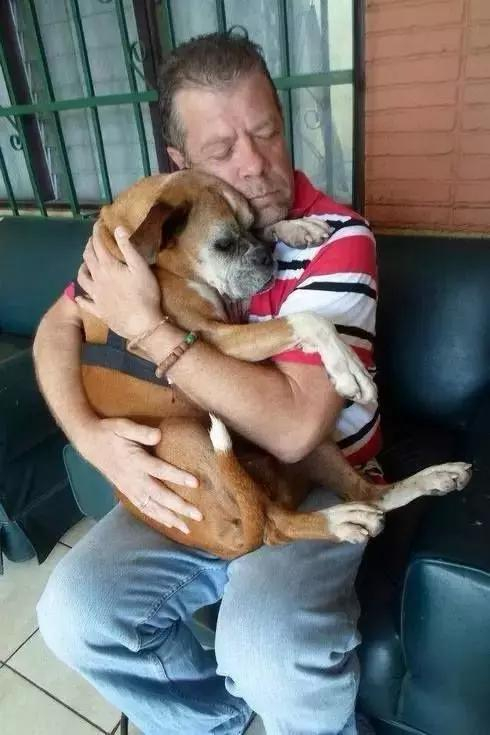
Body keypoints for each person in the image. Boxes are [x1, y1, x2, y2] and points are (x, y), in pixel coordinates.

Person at [35, 33, 380, 735]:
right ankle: (216, 722)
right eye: (222, 150)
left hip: (310, 471)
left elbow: (294, 431)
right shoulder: (160, 230)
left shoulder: (338, 237)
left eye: (266, 131)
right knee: (72, 613)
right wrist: (91, 438)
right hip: (200, 465)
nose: (253, 164)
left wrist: (148, 328)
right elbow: (56, 327)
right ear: (182, 167)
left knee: (263, 646)